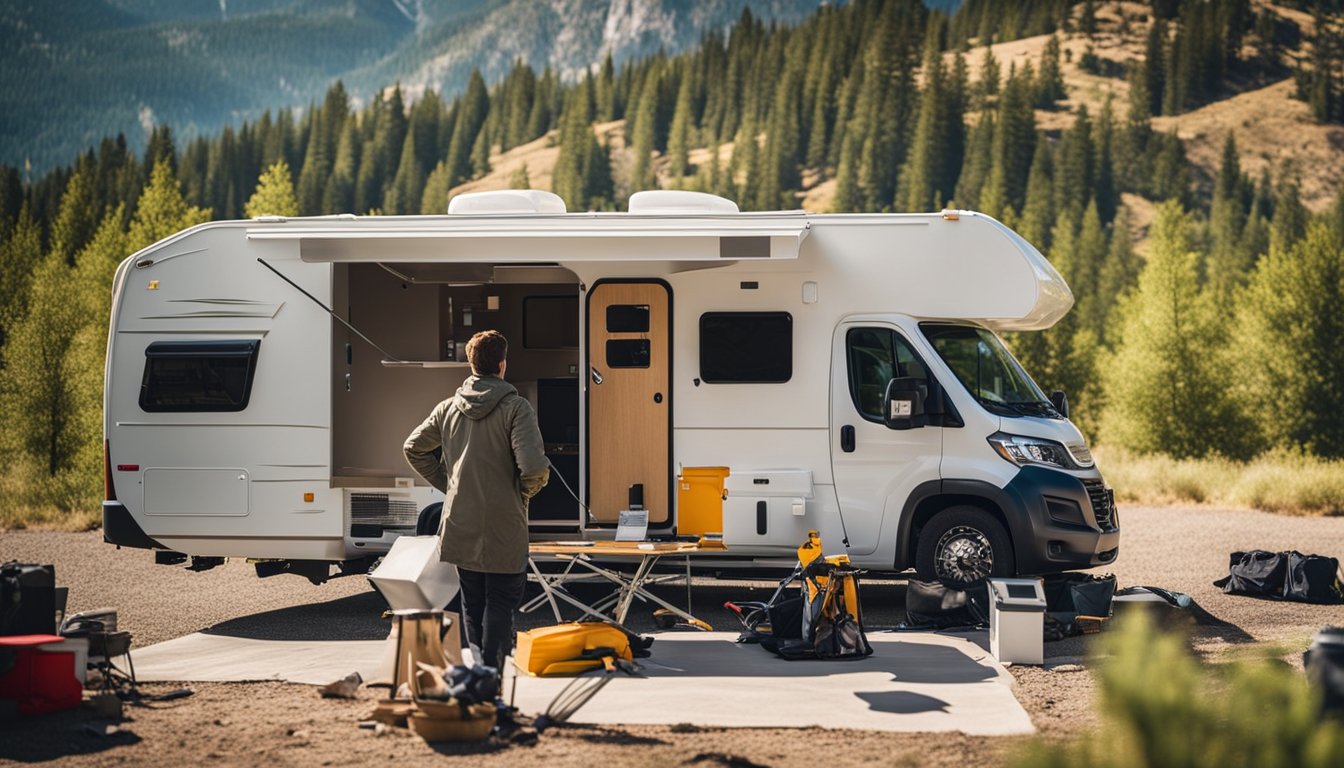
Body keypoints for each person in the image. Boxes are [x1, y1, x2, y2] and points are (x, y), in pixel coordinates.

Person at [403, 329, 549, 671]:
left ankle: (480, 670)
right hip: (504, 524)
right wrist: (520, 493)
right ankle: (494, 674)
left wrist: (452, 485)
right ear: (502, 364)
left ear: (471, 364)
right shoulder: (516, 408)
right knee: (501, 599)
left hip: (460, 522)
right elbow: (533, 468)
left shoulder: (447, 408)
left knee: (471, 601)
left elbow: (413, 448)